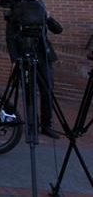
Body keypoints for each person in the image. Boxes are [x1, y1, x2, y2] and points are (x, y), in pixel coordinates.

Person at [38, 8, 63, 138]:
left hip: (44, 57)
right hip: (25, 56)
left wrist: (48, 16)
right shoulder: (19, 13)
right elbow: (10, 37)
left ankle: (46, 125)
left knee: (47, 91)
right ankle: (32, 124)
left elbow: (58, 30)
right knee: (28, 92)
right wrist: (14, 58)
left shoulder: (41, 13)